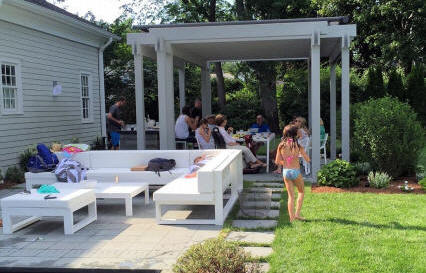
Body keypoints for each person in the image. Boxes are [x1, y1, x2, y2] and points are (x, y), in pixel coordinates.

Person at [275, 125, 310, 222]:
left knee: (290, 196)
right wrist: (303, 156)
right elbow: (307, 159)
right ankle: (297, 214)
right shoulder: (298, 146)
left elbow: (277, 161)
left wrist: (286, 162)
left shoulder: (281, 145)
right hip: (296, 171)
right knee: (301, 191)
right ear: (295, 134)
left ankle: (291, 219)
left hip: (286, 172)